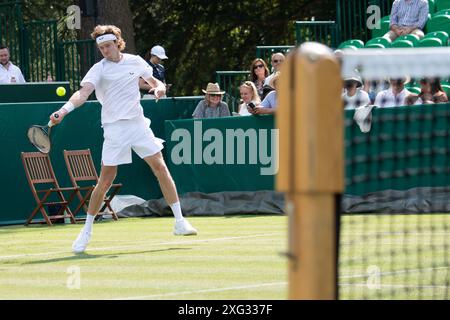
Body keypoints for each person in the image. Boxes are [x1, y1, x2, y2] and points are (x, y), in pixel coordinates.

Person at [49, 25, 197, 254]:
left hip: (138, 124)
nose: (105, 50)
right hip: (114, 128)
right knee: (106, 180)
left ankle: (179, 222)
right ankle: (85, 231)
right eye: (101, 48)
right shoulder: (98, 69)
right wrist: (64, 110)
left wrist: (158, 89)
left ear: (117, 43)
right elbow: (84, 93)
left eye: (108, 46)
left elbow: (154, 82)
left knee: (160, 167)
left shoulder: (136, 61)